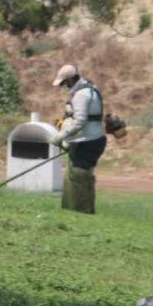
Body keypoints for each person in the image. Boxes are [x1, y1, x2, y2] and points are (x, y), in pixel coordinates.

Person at [50, 64, 106, 214]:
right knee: (81, 177)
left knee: (79, 178)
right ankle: (80, 209)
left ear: (69, 80)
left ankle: (80, 211)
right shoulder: (89, 89)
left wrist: (60, 136)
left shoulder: (81, 95)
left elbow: (80, 121)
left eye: (63, 83)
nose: (63, 86)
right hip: (89, 139)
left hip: (86, 141)